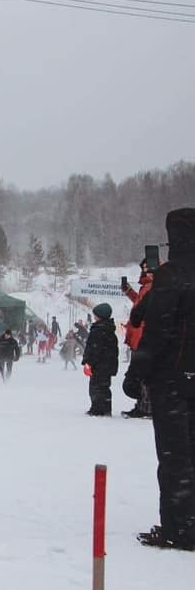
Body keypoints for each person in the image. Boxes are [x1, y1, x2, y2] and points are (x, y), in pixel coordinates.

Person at [125, 207, 195, 551]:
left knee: (175, 458)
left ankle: (179, 528)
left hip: (173, 379)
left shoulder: (173, 275)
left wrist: (136, 372)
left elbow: (158, 331)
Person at [121, 259, 155, 418]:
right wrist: (129, 292)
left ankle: (146, 407)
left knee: (142, 376)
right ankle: (143, 405)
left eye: (148, 267)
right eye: (144, 267)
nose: (146, 270)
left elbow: (143, 308)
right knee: (138, 376)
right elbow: (140, 304)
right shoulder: (146, 287)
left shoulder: (154, 287)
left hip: (143, 338)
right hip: (138, 337)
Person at [81, 303, 119, 416]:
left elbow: (94, 349)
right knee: (105, 387)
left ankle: (97, 409)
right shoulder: (110, 330)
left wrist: (89, 362)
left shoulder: (98, 330)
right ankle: (106, 408)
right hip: (107, 365)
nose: (94, 317)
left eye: (95, 315)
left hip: (99, 365)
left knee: (95, 387)